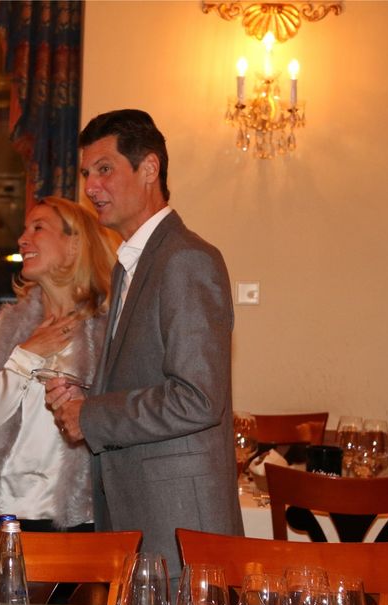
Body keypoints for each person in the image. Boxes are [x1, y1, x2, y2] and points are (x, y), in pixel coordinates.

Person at [45, 109, 243, 579]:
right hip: (143, 518)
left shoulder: (186, 259)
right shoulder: (129, 266)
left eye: (104, 169)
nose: (91, 187)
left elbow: (197, 398)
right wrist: (87, 397)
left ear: (149, 169)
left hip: (178, 527)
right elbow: (148, 380)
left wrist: (92, 416)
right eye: (86, 174)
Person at [0, 196, 118, 532]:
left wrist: (84, 403)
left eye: (38, 228)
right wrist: (26, 354)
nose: (22, 239)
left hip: (81, 515)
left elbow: (120, 417)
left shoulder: (108, 330)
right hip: (5, 510)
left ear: (74, 244)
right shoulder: (6, 327)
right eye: (24, 229)